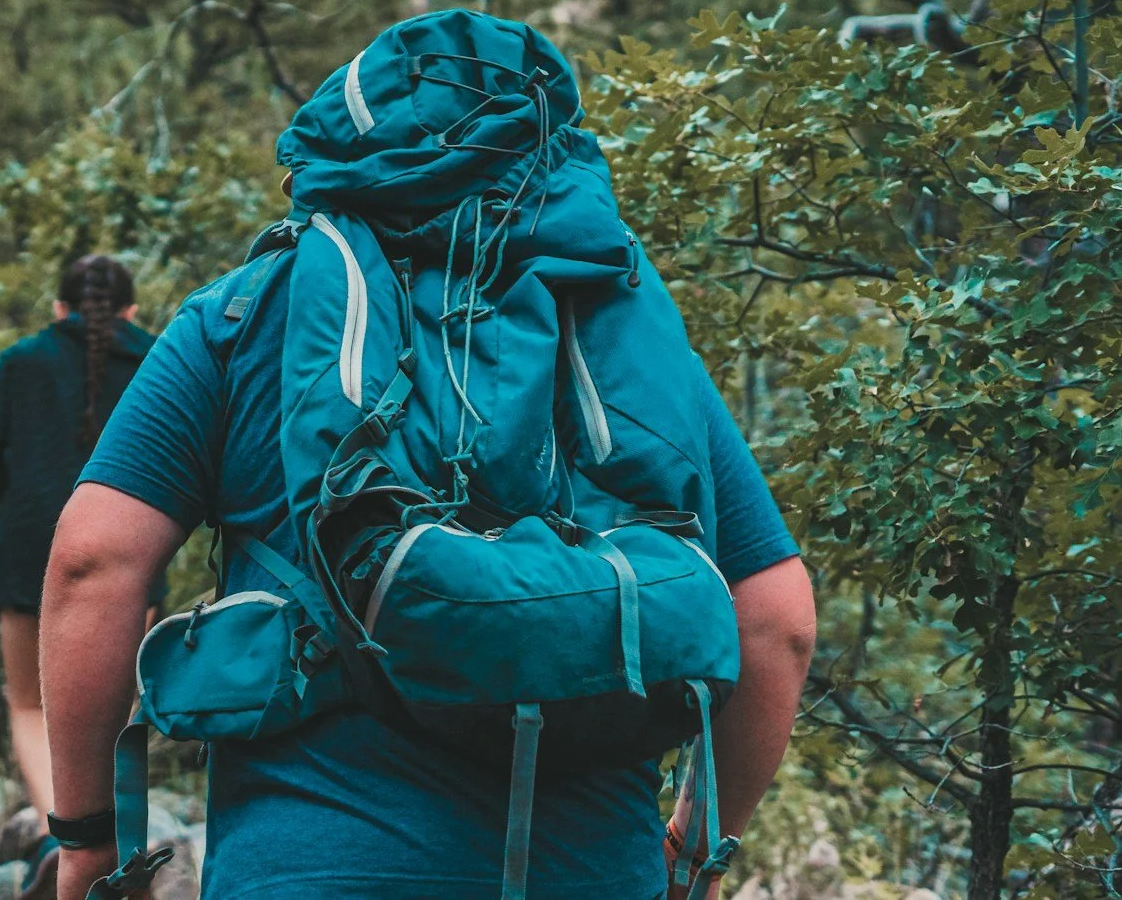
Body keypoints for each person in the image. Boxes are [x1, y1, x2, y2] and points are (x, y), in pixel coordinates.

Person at [41, 65, 818, 898]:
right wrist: (693, 850)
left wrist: (90, 842)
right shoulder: (622, 350)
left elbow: (94, 566)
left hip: (311, 866)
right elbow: (777, 623)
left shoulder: (240, 319)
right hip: (590, 869)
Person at [0, 255, 152, 824]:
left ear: (58, 309)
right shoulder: (160, 357)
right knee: (118, 710)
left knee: (31, 705)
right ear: (133, 311)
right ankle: (112, 831)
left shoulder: (23, 360)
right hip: (136, 544)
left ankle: (63, 842)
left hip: (33, 542)